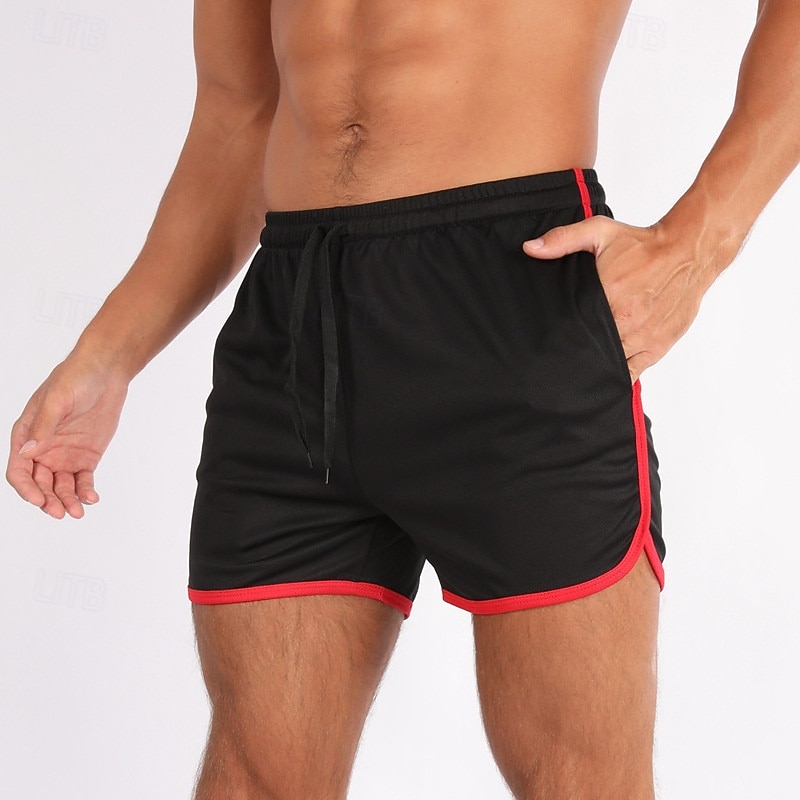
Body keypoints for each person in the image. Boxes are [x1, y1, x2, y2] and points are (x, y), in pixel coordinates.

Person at [6, 0, 799, 797]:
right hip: (293, 330)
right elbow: (238, 114)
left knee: (581, 782)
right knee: (253, 777)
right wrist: (107, 356)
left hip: (516, 299)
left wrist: (699, 243)